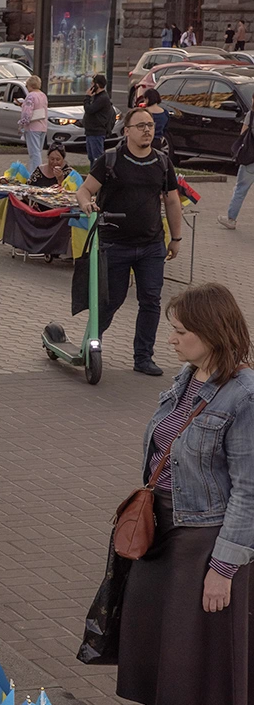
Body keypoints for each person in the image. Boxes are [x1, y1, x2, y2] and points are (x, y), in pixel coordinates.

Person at [116, 282, 254, 705]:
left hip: (202, 538)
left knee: (196, 660)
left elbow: (249, 491)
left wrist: (224, 568)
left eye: (180, 331)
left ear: (211, 332)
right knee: (157, 645)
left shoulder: (244, 395)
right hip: (162, 529)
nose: (170, 338)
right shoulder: (187, 377)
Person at [76, 106, 184, 377]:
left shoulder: (162, 162)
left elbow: (172, 201)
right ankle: (92, 343)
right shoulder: (110, 160)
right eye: (141, 126)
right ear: (126, 132)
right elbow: (85, 189)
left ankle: (143, 357)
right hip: (115, 244)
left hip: (151, 245)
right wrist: (86, 203)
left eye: (150, 125)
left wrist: (177, 238)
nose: (147, 130)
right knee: (111, 300)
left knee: (151, 300)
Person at [220, 106, 253, 230]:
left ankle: (231, 219)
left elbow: (243, 134)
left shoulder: (251, 114)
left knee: (240, 189)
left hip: (249, 159)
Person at [18, 76, 48, 173]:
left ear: (30, 85)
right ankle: (32, 171)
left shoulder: (30, 96)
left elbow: (27, 113)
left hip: (32, 127)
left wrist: (22, 123)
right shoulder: (43, 95)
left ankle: (36, 173)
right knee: (38, 151)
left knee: (34, 153)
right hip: (42, 126)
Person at [83, 74, 113, 166]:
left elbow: (89, 109)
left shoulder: (102, 98)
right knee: (91, 157)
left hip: (97, 132)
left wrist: (87, 97)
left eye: (92, 84)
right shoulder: (97, 97)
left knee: (97, 158)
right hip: (90, 131)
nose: (91, 86)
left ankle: (97, 177)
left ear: (97, 85)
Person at [139, 87, 169, 154]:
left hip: (145, 140)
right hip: (157, 141)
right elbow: (165, 128)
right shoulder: (164, 113)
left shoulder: (144, 112)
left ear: (147, 99)